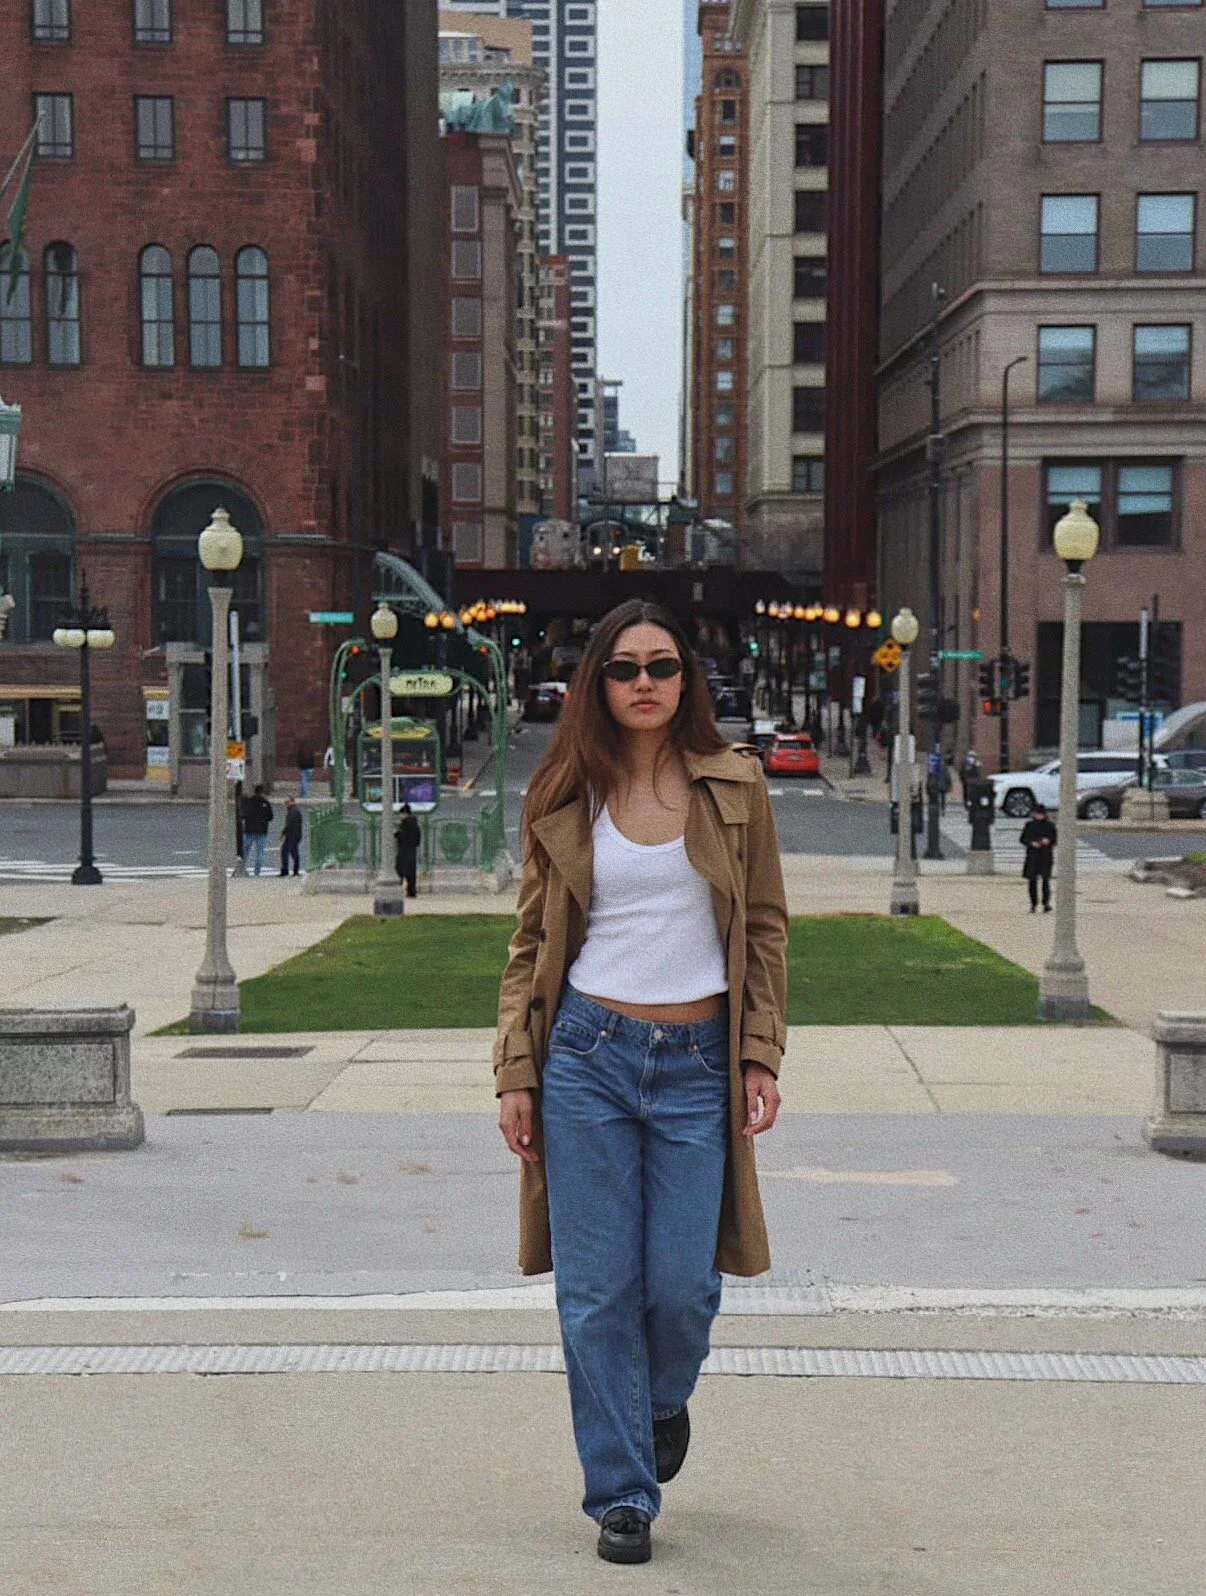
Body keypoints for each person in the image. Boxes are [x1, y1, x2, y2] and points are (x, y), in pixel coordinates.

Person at [494, 598, 788, 1567]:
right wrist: (515, 1072)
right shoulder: (564, 792)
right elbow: (532, 942)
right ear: (599, 683)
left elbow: (763, 930)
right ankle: (622, 1493)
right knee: (595, 1292)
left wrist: (759, 1052)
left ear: (686, 679)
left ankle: (658, 1403)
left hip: (697, 1060)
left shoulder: (735, 784)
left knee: (682, 1287)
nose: (646, 683)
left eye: (662, 665)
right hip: (585, 1059)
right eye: (625, 668)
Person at [1020, 804, 1057, 912]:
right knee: (1032, 881)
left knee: (1045, 880)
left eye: (1041, 814)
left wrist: (1048, 841)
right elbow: (1023, 839)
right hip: (1033, 855)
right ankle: (1033, 903)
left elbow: (1055, 839)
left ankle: (1046, 903)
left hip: (1045, 855)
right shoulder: (1029, 825)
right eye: (1037, 814)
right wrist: (1031, 843)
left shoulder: (1050, 825)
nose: (1039, 816)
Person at [240, 783, 273, 876]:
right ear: (262, 792)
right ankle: (257, 872)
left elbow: (244, 814)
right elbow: (270, 816)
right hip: (262, 830)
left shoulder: (250, 801)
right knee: (260, 852)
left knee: (245, 850)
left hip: (249, 829)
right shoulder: (265, 803)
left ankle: (242, 868)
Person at [394, 803, 421, 898]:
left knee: (399, 870)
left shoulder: (405, 824)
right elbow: (418, 839)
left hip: (404, 850)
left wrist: (397, 835)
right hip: (412, 850)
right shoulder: (415, 824)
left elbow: (402, 836)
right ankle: (411, 891)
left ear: (405, 814)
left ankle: (396, 890)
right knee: (411, 872)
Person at [279, 797, 303, 877]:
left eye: (287, 802)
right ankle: (295, 870)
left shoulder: (293, 811)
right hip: (295, 835)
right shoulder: (294, 810)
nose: (286, 804)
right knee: (294, 853)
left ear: (292, 802)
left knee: (285, 852)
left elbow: (289, 823)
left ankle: (285, 870)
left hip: (291, 835)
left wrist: (283, 833)